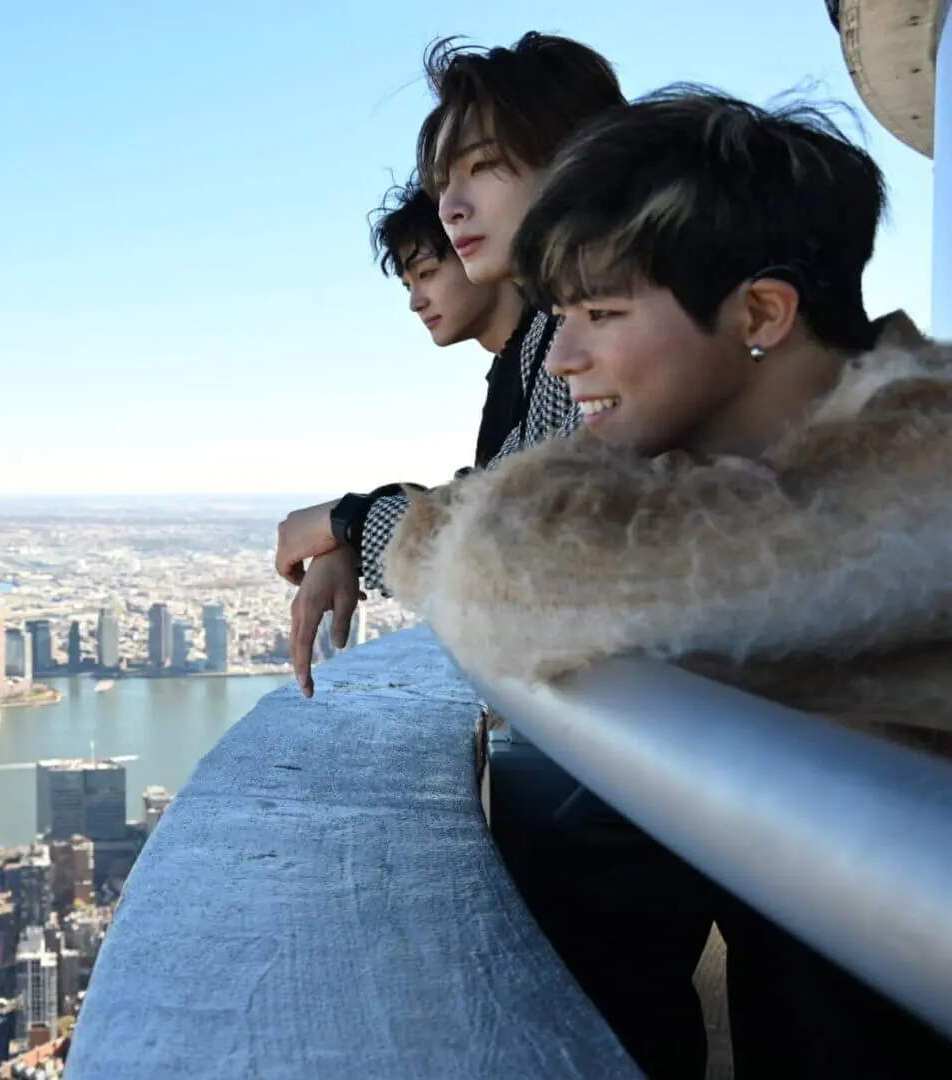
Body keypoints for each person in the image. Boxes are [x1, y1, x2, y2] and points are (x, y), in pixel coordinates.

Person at [382, 86, 952, 1079]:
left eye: (601, 312)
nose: (564, 356)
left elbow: (509, 571)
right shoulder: (775, 462)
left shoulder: (910, 476)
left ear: (761, 313)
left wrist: (373, 522)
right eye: (561, 315)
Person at [277, 32, 624, 694]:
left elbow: (535, 549)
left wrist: (349, 521)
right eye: (442, 183)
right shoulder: (555, 330)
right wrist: (350, 530)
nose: (451, 205)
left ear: (579, 159)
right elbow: (503, 494)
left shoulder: (615, 319)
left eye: (481, 165)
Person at [371, 177, 522, 356]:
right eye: (408, 286)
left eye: (426, 273)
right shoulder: (517, 371)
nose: (415, 303)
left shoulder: (554, 354)